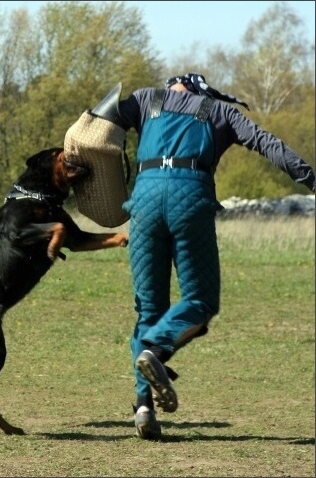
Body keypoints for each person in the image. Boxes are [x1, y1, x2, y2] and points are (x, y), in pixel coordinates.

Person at [93, 73, 315, 440]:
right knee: (199, 299)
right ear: (200, 90)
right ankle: (156, 349)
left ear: (171, 87)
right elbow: (267, 143)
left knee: (149, 308)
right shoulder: (220, 112)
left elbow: (95, 128)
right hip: (189, 199)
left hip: (145, 201)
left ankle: (144, 404)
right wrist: (311, 179)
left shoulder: (146, 99)